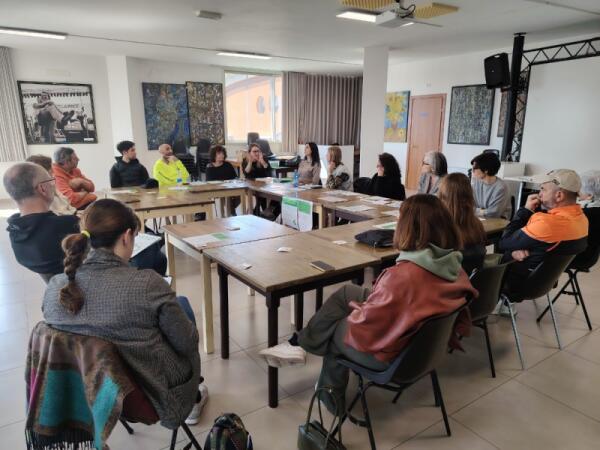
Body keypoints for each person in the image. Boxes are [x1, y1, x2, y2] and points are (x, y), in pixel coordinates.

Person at [259, 195, 477, 413]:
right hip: (425, 348)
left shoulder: (403, 276)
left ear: (410, 228)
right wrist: (370, 301)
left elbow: (366, 325)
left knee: (334, 327)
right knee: (347, 293)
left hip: (396, 356)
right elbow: (405, 299)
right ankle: (299, 344)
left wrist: (357, 311)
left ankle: (329, 397)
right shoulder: (453, 266)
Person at [41, 199, 207, 428]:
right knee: (183, 306)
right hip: (155, 394)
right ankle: (194, 399)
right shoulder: (147, 284)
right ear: (127, 237)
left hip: (93, 392)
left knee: (174, 307)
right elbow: (187, 344)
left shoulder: (55, 287)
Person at [4, 163, 167, 281]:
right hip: (100, 282)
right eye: (51, 181)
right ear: (42, 188)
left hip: (69, 284)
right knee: (152, 251)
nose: (54, 186)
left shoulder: (15, 233)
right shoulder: (66, 226)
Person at [499, 169, 588, 291]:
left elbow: (504, 242)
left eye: (543, 189)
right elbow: (546, 247)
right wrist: (516, 250)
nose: (539, 194)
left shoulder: (545, 223)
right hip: (544, 283)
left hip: (519, 282)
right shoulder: (582, 219)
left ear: (559, 195)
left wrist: (525, 210)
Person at [439, 173, 487, 274]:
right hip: (473, 280)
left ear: (443, 197)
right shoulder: (477, 225)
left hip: (450, 281)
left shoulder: (441, 228)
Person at [470, 152, 511, 218]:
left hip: (497, 221)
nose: (472, 171)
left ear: (486, 170)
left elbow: (493, 213)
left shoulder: (501, 188)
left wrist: (475, 211)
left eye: (475, 168)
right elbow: (469, 205)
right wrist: (482, 211)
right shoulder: (475, 182)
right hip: (479, 218)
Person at [206, 145, 240, 215]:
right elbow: (209, 181)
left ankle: (231, 210)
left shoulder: (228, 164)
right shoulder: (210, 166)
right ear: (214, 155)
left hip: (229, 188)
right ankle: (232, 212)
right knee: (230, 196)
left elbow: (234, 177)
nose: (222, 155)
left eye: (223, 153)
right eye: (219, 153)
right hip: (216, 189)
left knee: (239, 194)